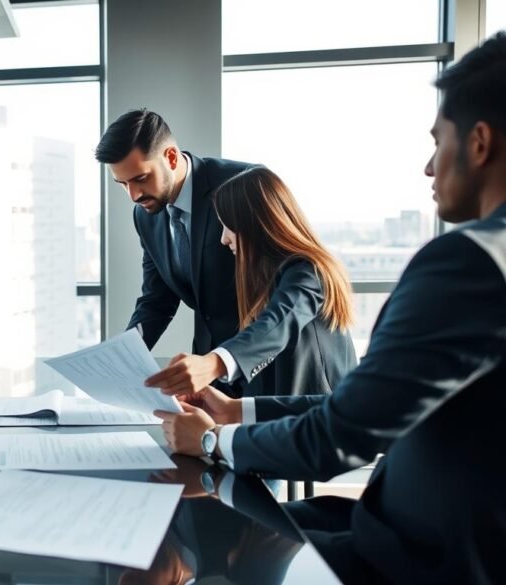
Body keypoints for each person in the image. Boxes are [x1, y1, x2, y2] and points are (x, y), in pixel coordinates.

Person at [156, 32, 506, 584]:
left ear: (480, 143)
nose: (429, 167)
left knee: (213, 546)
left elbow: (340, 434)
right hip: (423, 526)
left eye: (439, 142)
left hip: (421, 554)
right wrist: (233, 412)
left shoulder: (467, 266)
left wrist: (207, 438)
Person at [96, 110, 309, 399]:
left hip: (279, 363)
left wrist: (218, 363)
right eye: (122, 184)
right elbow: (157, 300)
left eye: (141, 178)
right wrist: (122, 357)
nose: (133, 195)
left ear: (170, 158)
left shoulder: (243, 184)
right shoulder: (146, 215)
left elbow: (299, 283)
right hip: (211, 371)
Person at [145, 166, 358, 410]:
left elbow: (277, 325)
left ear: (256, 225)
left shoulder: (309, 271)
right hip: (277, 427)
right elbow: (259, 370)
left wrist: (213, 363)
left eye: (228, 226)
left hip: (320, 429)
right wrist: (209, 399)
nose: (223, 239)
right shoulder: (261, 281)